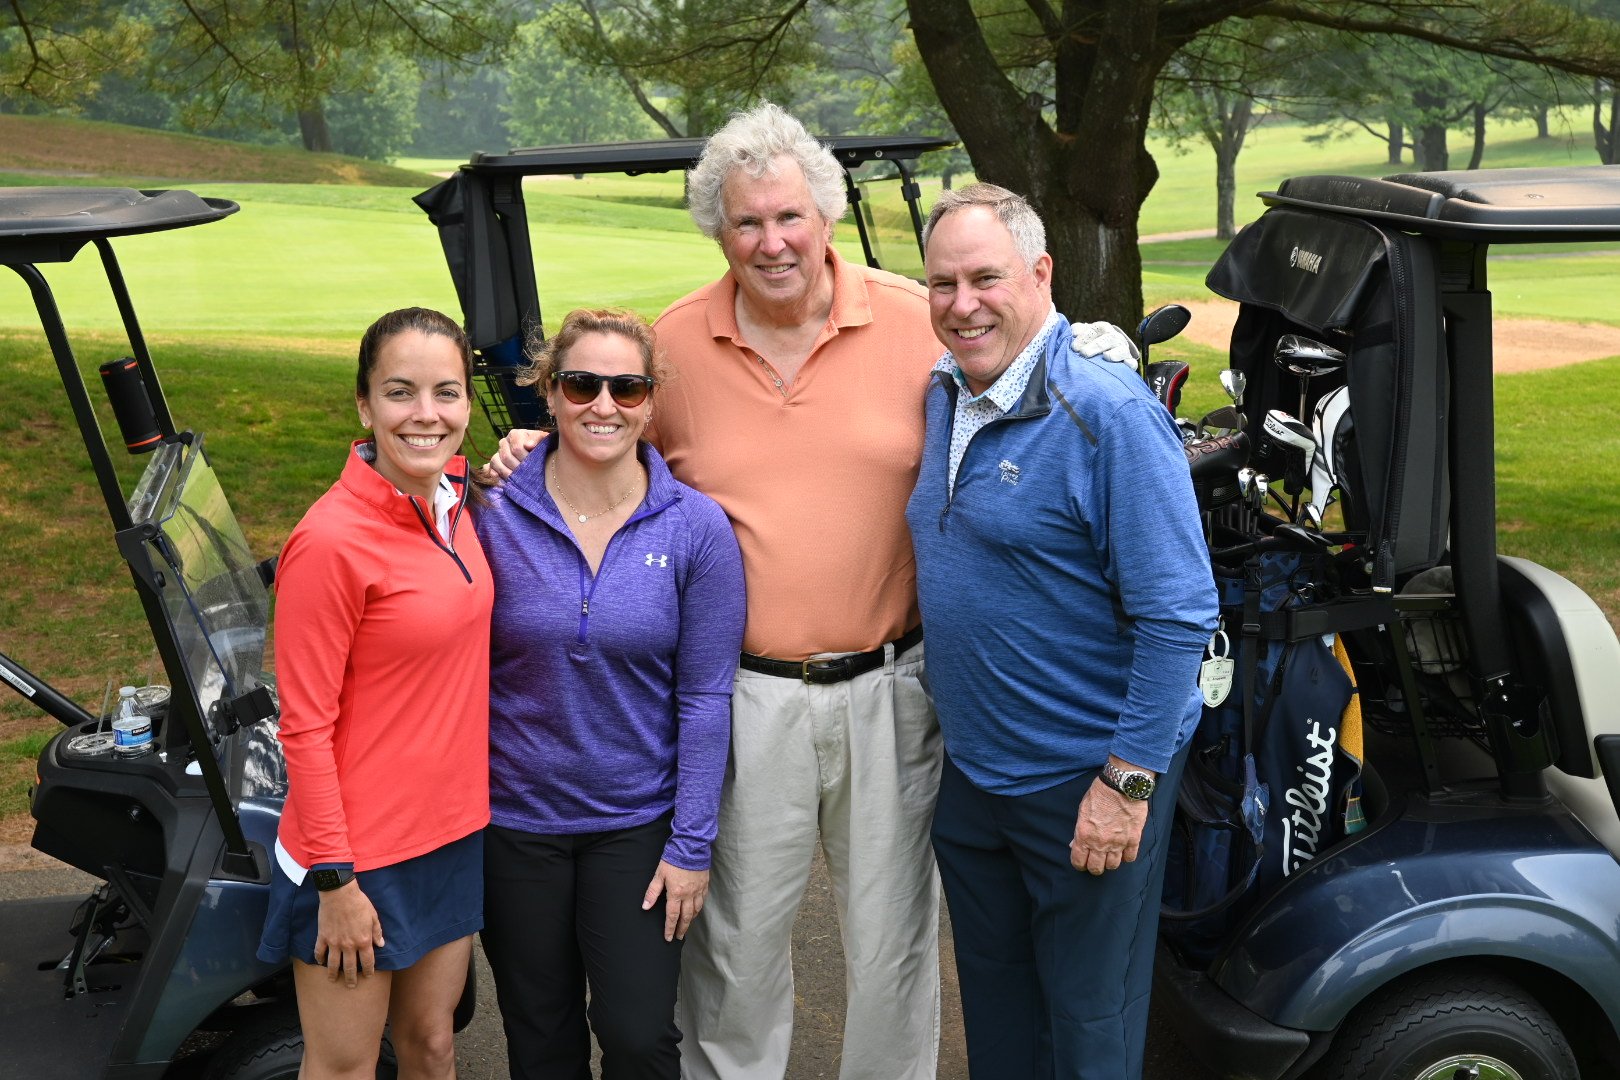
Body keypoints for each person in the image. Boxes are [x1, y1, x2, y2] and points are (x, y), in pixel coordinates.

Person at [487, 104, 1139, 1080]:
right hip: (744, 694)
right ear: (719, 229)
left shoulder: (921, 322)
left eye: (788, 216)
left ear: (825, 215)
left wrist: (1097, 346)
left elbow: (1027, 356)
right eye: (746, 222)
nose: (771, 241)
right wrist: (534, 447)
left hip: (894, 685)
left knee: (893, 952)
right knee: (735, 952)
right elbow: (606, 442)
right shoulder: (672, 349)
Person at [904, 184, 1219, 1080]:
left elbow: (1179, 614)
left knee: (1087, 1033)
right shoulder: (943, 391)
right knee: (1001, 1024)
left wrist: (1124, 783)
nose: (962, 304)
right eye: (941, 283)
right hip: (977, 779)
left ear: (1040, 274)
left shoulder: (1108, 413)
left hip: (1084, 781)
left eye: (985, 278)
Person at [476, 309, 746, 1080]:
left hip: (636, 826)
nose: (604, 404)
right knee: (540, 1033)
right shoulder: (491, 512)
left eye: (626, 387)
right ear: (548, 394)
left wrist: (691, 845)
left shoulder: (697, 528)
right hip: (514, 822)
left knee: (636, 1034)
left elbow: (704, 697)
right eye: (581, 384)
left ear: (651, 401)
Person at [259, 307, 492, 1080]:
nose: (426, 415)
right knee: (346, 1067)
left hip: (452, 833)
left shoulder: (455, 499)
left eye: (446, 393)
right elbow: (305, 726)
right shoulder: (329, 542)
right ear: (365, 405)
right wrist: (335, 881)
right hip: (357, 858)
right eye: (401, 392)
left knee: (432, 1045)